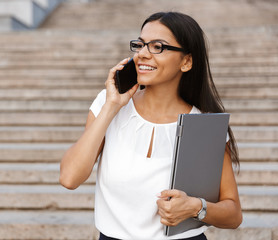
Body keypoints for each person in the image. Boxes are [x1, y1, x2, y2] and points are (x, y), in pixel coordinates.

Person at [60, 11, 242, 240]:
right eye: (140, 45)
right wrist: (111, 106)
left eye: (158, 47)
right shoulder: (109, 106)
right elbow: (69, 178)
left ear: (186, 62)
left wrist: (196, 207)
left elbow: (233, 214)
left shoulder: (203, 125)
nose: (143, 54)